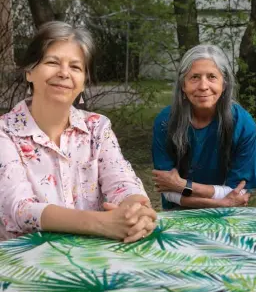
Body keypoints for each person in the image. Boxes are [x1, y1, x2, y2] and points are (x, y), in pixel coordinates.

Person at [0, 21, 156, 242]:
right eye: (53, 62)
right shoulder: (5, 132)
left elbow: (122, 183)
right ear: (29, 72)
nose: (64, 73)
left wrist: (136, 211)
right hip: (26, 265)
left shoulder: (97, 127)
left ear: (83, 82)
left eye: (75, 67)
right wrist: (102, 223)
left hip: (93, 263)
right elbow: (19, 210)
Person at [152, 44, 256, 209]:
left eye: (212, 77)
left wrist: (183, 185)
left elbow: (239, 192)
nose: (203, 86)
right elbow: (167, 190)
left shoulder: (243, 123)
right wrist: (220, 201)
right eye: (194, 77)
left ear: (224, 84)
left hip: (228, 216)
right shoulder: (166, 121)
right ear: (183, 85)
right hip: (178, 215)